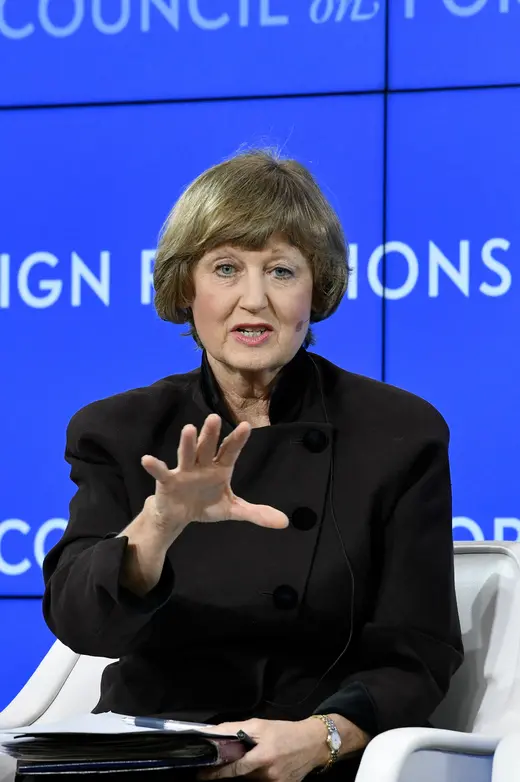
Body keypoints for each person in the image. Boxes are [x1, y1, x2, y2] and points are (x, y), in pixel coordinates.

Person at [42, 150, 463, 782]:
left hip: (312, 756)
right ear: (187, 288)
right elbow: (80, 624)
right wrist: (159, 523)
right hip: (157, 754)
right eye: (227, 268)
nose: (254, 299)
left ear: (315, 289)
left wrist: (320, 738)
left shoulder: (398, 433)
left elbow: (417, 651)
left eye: (282, 271)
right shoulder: (119, 430)